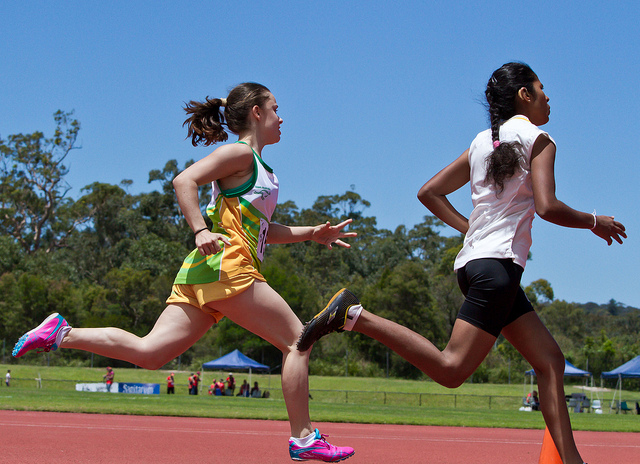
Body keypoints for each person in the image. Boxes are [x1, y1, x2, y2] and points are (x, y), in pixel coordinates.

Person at [298, 62, 626, 464]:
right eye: (542, 90)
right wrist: (595, 221)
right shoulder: (540, 139)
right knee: (451, 370)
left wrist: (470, 229)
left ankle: (572, 461)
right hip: (497, 271)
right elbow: (547, 206)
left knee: (550, 361)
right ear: (524, 95)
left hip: (475, 267)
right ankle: (353, 314)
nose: (548, 98)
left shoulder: (481, 142)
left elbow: (429, 192)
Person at [12, 82, 355, 462]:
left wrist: (313, 234)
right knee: (298, 342)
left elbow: (261, 230)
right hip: (229, 267)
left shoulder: (257, 168)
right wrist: (200, 230)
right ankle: (304, 437)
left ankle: (62, 333)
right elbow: (183, 181)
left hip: (206, 272)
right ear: (257, 112)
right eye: (275, 108)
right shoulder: (239, 154)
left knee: (150, 353)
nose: (281, 117)